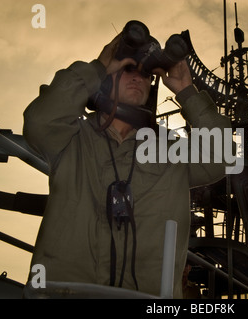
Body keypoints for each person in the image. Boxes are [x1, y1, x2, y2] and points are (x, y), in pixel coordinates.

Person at [23, 24, 232, 298]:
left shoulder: (170, 150)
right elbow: (39, 121)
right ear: (107, 79)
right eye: (128, 70)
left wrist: (186, 91)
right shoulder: (72, 138)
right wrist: (98, 66)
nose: (138, 78)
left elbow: (222, 155)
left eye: (146, 74)